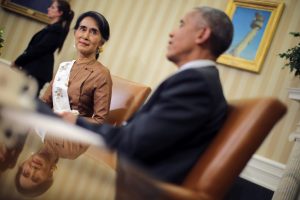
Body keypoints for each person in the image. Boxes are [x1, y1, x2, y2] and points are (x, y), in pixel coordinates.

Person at [61, 6, 234, 185]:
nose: (172, 33)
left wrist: (76, 122)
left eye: (181, 25)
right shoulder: (198, 80)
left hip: (142, 188)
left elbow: (132, 143)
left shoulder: (196, 85)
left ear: (202, 35)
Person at [41, 11, 112, 125]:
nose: (85, 36)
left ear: (101, 42)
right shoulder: (64, 67)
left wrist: (75, 121)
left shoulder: (102, 74)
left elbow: (100, 121)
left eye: (93, 32)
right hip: (49, 131)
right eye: (82, 29)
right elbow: (45, 102)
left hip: (73, 137)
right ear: (75, 33)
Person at [11, 0, 74, 95]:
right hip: (34, 69)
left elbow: (38, 49)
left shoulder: (56, 29)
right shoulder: (52, 28)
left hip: (37, 71)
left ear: (60, 13)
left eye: (52, 7)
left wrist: (18, 61)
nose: (48, 9)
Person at [15, 134, 88, 197]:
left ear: (23, 164)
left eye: (26, 173)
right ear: (49, 175)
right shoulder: (71, 151)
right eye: (36, 178)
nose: (33, 169)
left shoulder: (37, 129)